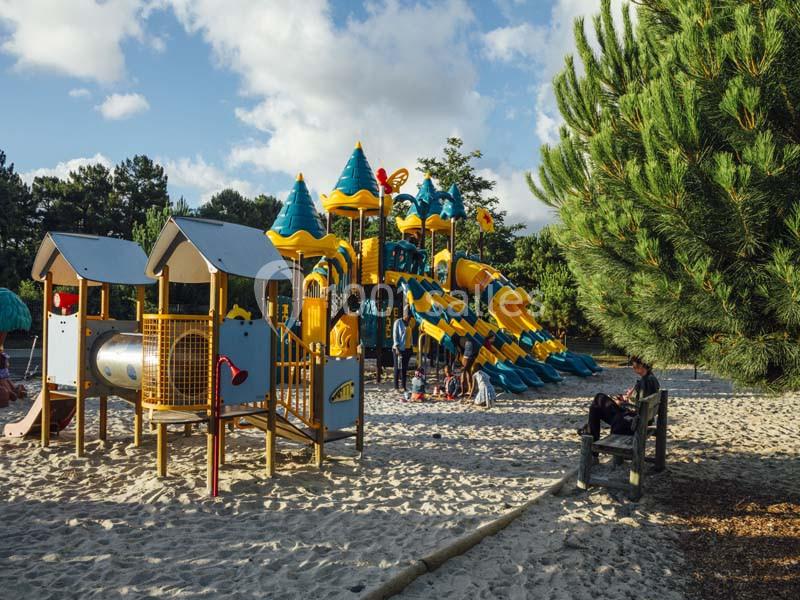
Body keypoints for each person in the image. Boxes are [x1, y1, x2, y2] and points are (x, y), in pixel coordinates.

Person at [577, 356, 659, 441]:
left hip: (632, 422)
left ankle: (591, 435)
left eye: (634, 365)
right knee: (598, 400)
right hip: (637, 419)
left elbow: (640, 408)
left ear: (641, 365)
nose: (633, 367)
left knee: (598, 402)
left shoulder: (646, 382)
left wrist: (623, 404)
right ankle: (591, 433)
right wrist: (627, 399)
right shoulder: (650, 378)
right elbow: (642, 403)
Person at [392, 313, 412, 391]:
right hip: (399, 349)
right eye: (407, 316)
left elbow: (410, 335)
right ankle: (396, 387)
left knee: (404, 368)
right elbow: (395, 335)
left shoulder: (409, 323)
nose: (409, 318)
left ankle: (403, 386)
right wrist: (397, 347)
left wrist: (411, 347)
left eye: (409, 317)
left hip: (407, 348)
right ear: (404, 315)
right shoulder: (398, 322)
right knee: (397, 368)